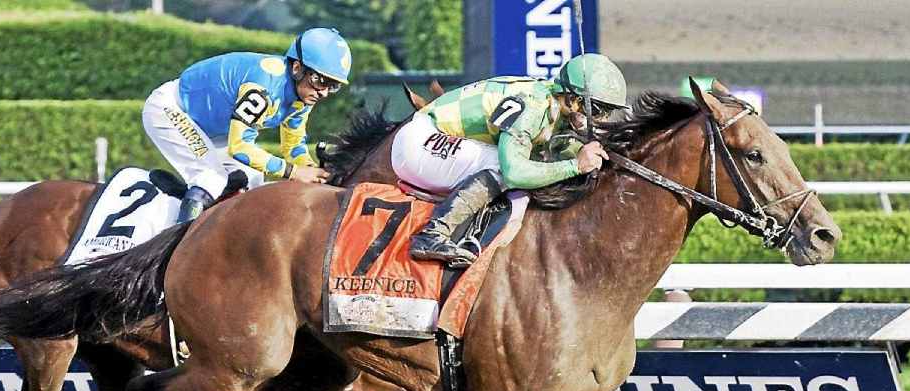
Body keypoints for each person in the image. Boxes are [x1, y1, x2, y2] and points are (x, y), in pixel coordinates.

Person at [393, 53, 629, 267]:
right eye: (598, 110)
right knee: (504, 164)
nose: (601, 118)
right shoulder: (533, 106)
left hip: (435, 140)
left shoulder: (553, 102)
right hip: (418, 142)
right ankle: (432, 235)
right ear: (572, 99)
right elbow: (514, 172)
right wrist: (575, 165)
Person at [142, 27, 351, 221]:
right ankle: (173, 251)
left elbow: (293, 146)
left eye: (333, 86)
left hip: (211, 129)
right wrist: (294, 172)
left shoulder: (304, 94)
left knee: (252, 180)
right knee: (210, 178)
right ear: (297, 68)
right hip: (172, 109)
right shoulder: (263, 86)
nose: (323, 92)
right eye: (320, 81)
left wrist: (312, 171)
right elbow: (240, 147)